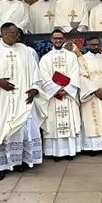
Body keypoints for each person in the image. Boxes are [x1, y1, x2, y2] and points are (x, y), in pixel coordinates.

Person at [0, 23, 45, 181]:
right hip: (0, 100)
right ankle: (0, 167)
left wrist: (35, 89)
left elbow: (35, 72)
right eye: (13, 34)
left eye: (17, 34)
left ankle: (20, 161)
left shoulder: (25, 50)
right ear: (4, 34)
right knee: (0, 130)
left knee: (23, 130)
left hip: (23, 99)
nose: (17, 36)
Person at [35, 30, 83, 161]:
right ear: (51, 39)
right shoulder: (45, 58)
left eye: (60, 38)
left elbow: (75, 74)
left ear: (64, 39)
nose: (58, 40)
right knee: (54, 124)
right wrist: (56, 90)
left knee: (69, 122)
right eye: (55, 38)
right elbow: (43, 77)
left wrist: (66, 90)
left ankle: (70, 151)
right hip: (53, 97)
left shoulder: (71, 56)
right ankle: (56, 153)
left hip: (68, 95)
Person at [76, 36, 102, 155]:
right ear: (87, 44)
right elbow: (82, 77)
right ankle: (90, 147)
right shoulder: (82, 60)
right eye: (93, 45)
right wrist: (94, 90)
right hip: (90, 95)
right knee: (90, 121)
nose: (96, 47)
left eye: (97, 44)